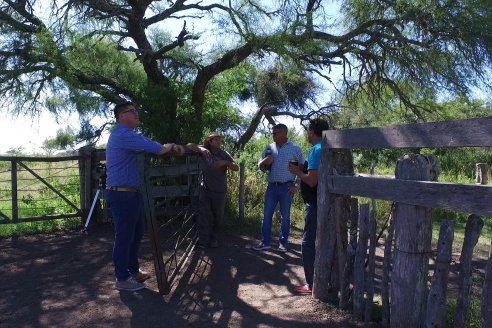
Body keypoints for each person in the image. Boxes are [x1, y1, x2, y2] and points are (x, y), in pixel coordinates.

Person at [105, 101, 185, 292]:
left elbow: (149, 145)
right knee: (124, 236)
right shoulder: (123, 134)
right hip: (122, 194)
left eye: (136, 110)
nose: (136, 114)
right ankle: (122, 278)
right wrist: (172, 146)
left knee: (136, 233)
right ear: (121, 116)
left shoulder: (127, 135)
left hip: (130, 193)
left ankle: (132, 270)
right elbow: (156, 148)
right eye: (133, 111)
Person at [288, 118, 330, 293]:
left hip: (315, 202)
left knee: (307, 243)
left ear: (312, 131)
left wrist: (296, 171)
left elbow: (312, 181)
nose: (307, 133)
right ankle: (326, 281)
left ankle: (312, 284)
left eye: (308, 130)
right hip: (329, 202)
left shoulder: (316, 150)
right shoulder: (329, 148)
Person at [252, 123, 304, 252]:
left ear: (284, 133)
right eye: (273, 133)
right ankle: (265, 243)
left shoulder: (295, 149)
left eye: (275, 133)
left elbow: (301, 167)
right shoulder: (270, 148)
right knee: (267, 214)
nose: (273, 135)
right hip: (272, 187)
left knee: (285, 216)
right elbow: (260, 164)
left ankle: (283, 243)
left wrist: (297, 184)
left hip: (287, 186)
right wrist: (265, 161)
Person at [187, 132, 239, 248]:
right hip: (205, 189)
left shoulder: (224, 154)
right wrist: (200, 148)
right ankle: (203, 241)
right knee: (203, 216)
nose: (219, 141)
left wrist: (225, 162)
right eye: (216, 139)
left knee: (217, 217)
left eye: (219, 139)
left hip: (220, 190)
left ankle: (214, 239)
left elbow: (236, 167)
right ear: (210, 141)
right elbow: (189, 145)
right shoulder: (204, 150)